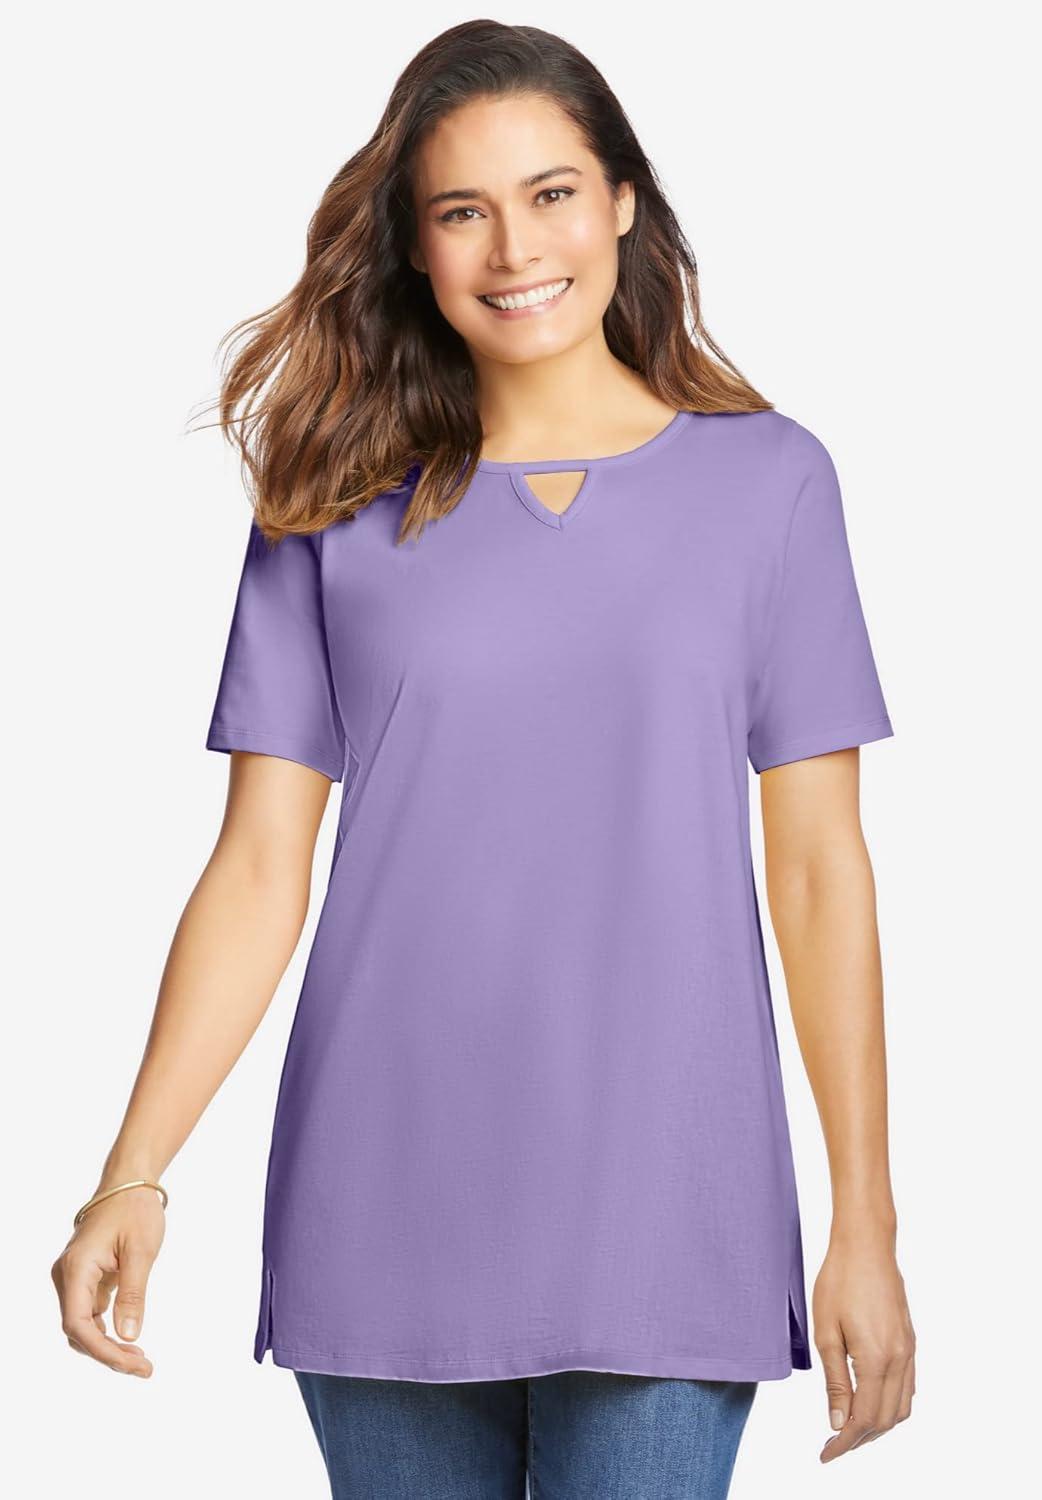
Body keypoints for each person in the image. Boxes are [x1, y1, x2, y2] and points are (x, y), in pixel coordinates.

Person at [51, 19, 915, 1496]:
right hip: (381, 1186)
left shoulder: (769, 483)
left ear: (622, 202)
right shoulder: (329, 507)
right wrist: (133, 1169)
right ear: (414, 244)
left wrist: (866, 1227)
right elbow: (258, 868)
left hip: (670, 1200)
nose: (515, 249)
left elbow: (822, 871)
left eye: (551, 194)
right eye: (463, 210)